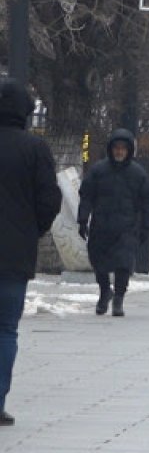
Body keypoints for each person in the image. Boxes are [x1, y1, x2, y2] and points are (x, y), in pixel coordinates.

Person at [0, 78, 61, 425]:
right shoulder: (35, 149)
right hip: (14, 255)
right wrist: (32, 230)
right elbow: (49, 199)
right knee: (6, 328)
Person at [78, 129, 149, 317]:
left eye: (123, 149)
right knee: (98, 262)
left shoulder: (138, 174)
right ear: (111, 149)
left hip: (127, 227)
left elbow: (148, 201)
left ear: (129, 151)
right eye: (116, 148)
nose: (119, 152)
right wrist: (82, 219)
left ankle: (119, 297)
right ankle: (105, 291)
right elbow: (86, 195)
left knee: (123, 263)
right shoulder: (98, 170)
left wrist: (146, 226)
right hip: (101, 225)